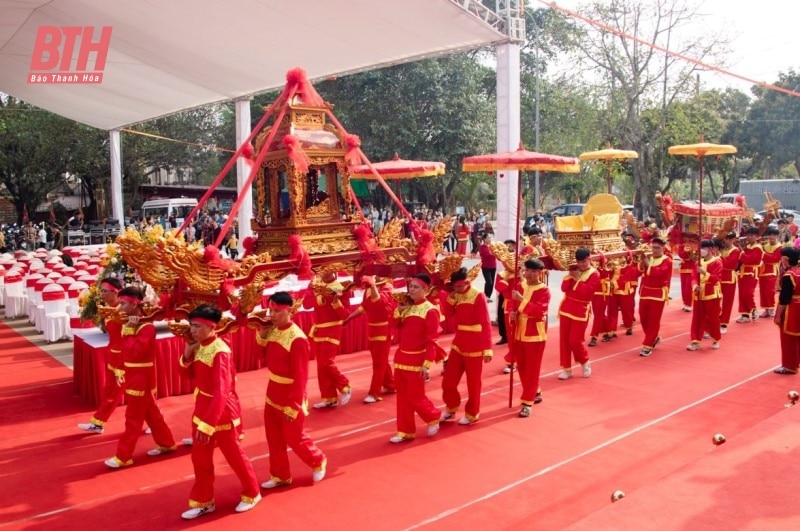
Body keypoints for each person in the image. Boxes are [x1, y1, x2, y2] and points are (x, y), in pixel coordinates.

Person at [179, 305, 261, 520]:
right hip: (202, 408)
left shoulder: (220, 351)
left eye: (197, 326)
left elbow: (222, 390)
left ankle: (252, 493)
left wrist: (208, 424)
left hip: (222, 411)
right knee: (200, 458)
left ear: (211, 326)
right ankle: (204, 501)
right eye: (191, 326)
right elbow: (187, 376)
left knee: (235, 456)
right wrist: (187, 355)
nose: (193, 330)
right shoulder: (199, 346)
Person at [255, 292, 327, 489]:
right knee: (273, 437)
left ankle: (318, 459)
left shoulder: (298, 339)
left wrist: (293, 404)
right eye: (271, 310)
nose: (272, 314)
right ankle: (280, 475)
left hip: (290, 394)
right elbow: (258, 357)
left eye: (277, 311)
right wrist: (262, 334)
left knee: (294, 436)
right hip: (273, 392)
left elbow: (301, 376)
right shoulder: (272, 330)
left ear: (290, 311)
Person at [104, 286, 176, 469]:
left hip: (141, 377)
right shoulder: (133, 323)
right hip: (135, 375)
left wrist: (127, 331)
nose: (119, 308)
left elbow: (134, 353)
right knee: (151, 413)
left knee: (133, 418)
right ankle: (167, 443)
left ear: (135, 304)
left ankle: (123, 455)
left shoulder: (145, 327)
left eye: (123, 304)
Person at [390, 273, 442, 443]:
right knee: (402, 398)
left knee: (415, 397)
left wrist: (426, 364)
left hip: (417, 360)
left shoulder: (430, 310)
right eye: (410, 286)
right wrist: (397, 311)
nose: (411, 290)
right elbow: (394, 327)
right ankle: (405, 431)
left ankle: (433, 416)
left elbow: (432, 340)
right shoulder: (408, 307)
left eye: (415, 287)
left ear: (425, 290)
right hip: (401, 359)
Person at [440, 267, 493, 425]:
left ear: (467, 282)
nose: (457, 289)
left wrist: (487, 348)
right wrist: (450, 297)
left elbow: (485, 322)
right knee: (448, 381)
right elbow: (448, 314)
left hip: (475, 345)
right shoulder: (456, 294)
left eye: (459, 286)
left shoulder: (478, 295)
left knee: (473, 383)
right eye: (454, 286)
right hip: (459, 343)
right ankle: (451, 407)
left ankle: (472, 413)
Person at [78, 278, 128, 434]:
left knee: (114, 392)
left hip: (123, 358)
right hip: (112, 354)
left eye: (105, 291)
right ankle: (153, 423)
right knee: (119, 392)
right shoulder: (109, 308)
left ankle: (98, 422)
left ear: (116, 292)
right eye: (101, 291)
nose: (102, 294)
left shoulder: (123, 311)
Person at [303, 271, 352, 408]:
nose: (323, 271)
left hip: (333, 328)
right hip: (318, 329)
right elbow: (306, 304)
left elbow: (344, 315)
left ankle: (345, 386)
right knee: (321, 365)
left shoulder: (343, 286)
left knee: (326, 362)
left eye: (327, 268)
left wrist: (336, 302)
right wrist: (321, 297)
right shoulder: (314, 284)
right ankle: (329, 397)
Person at [343, 276, 396, 403]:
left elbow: (378, 302)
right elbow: (364, 307)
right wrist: (349, 317)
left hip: (383, 330)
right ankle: (390, 385)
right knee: (381, 360)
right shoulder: (369, 289)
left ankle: (374, 393)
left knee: (378, 363)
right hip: (372, 330)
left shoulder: (387, 287)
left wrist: (373, 286)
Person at [510, 258, 550, 417]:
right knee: (522, 366)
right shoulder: (521, 285)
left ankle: (527, 402)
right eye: (528, 271)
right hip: (519, 331)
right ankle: (536, 390)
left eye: (534, 272)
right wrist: (513, 313)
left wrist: (521, 300)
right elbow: (513, 305)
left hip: (534, 334)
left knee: (532, 369)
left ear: (540, 273)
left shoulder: (544, 290)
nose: (530, 274)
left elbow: (539, 311)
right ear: (524, 271)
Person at [557, 248, 600, 379]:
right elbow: (564, 289)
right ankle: (566, 368)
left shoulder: (594, 274)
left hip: (581, 309)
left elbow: (587, 293)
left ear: (589, 259)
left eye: (584, 261)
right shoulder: (574, 270)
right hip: (566, 308)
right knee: (564, 341)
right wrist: (570, 276)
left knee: (575, 341)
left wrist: (577, 279)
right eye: (579, 262)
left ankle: (585, 362)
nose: (581, 264)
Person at [637, 237, 672, 357]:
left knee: (653, 320)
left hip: (657, 294)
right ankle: (653, 338)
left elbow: (660, 274)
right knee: (643, 318)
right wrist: (641, 262)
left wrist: (648, 265)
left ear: (663, 248)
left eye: (657, 248)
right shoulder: (649, 258)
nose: (655, 250)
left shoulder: (667, 260)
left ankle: (647, 345)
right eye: (653, 247)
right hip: (645, 292)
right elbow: (640, 271)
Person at [687, 240, 723, 351]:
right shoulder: (698, 263)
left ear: (711, 249)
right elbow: (693, 277)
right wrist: (694, 286)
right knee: (697, 317)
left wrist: (704, 273)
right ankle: (695, 341)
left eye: (705, 248)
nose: (702, 251)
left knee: (713, 317)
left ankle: (716, 338)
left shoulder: (717, 262)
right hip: (699, 293)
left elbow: (716, 279)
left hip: (711, 293)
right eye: (701, 248)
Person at [773, 247, 800, 374]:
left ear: (785, 259)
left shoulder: (789, 275)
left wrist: (778, 315)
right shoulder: (798, 272)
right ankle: (796, 361)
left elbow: (784, 299)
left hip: (792, 308)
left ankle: (789, 365)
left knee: (788, 338)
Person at [737, 227, 764, 323]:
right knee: (742, 294)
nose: (749, 237)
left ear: (757, 237)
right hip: (743, 272)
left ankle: (753, 309)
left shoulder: (758, 248)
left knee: (747, 293)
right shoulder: (748, 246)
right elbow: (743, 259)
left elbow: (752, 260)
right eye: (748, 235)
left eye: (751, 235)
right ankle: (745, 314)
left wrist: (742, 253)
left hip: (752, 272)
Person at [718, 232, 742, 334]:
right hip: (718, 277)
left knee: (727, 302)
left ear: (733, 240)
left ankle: (724, 323)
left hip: (729, 278)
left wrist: (718, 257)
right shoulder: (721, 248)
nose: (725, 241)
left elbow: (729, 264)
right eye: (725, 239)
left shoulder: (735, 250)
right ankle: (716, 320)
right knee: (716, 301)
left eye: (728, 239)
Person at [758, 227, 782, 318]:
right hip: (763, 270)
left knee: (770, 290)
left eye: (774, 235)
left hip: (772, 270)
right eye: (770, 235)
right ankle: (766, 309)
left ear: (777, 236)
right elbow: (762, 257)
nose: (771, 237)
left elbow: (775, 258)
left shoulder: (779, 247)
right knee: (763, 290)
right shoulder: (765, 246)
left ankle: (771, 308)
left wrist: (763, 254)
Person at [676, 244, 697, 312]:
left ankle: (689, 303)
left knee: (689, 287)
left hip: (692, 266)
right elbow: (681, 255)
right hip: (684, 267)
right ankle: (685, 303)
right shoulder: (681, 245)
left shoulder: (695, 244)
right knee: (683, 287)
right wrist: (685, 251)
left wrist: (693, 253)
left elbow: (697, 256)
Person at [478, 233, 497, 301]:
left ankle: (488, 297)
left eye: (490, 237)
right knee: (489, 282)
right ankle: (485, 296)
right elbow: (485, 255)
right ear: (484, 239)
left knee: (492, 283)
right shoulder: (483, 247)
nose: (490, 239)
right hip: (486, 267)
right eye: (488, 237)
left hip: (493, 266)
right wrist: (492, 252)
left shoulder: (492, 246)